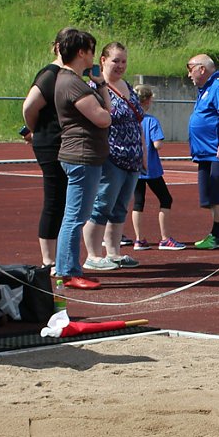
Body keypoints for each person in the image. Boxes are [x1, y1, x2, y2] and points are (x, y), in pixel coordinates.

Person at [54, 29, 111, 290]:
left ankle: (68, 269)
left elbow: (107, 112)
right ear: (81, 52)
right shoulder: (71, 83)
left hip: (84, 155)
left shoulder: (73, 81)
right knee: (75, 216)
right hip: (82, 155)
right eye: (91, 50)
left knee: (76, 215)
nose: (93, 56)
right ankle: (68, 271)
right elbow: (103, 117)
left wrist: (100, 84)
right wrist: (104, 109)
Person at [81, 42, 144, 270]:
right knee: (102, 205)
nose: (120, 65)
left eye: (124, 61)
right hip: (110, 156)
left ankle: (114, 253)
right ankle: (93, 255)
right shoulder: (94, 88)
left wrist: (143, 153)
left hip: (132, 157)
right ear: (103, 61)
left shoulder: (127, 86)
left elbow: (137, 121)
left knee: (120, 208)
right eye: (115, 60)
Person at [21, 28, 70, 273]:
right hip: (51, 143)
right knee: (54, 199)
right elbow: (29, 106)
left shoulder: (69, 74)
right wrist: (37, 131)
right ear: (59, 47)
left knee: (65, 201)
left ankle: (59, 256)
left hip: (64, 143)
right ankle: (48, 260)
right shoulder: (50, 74)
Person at [186, 54, 219, 249]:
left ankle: (217, 234)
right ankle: (218, 233)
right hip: (205, 151)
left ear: (202, 69)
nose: (188, 74)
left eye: (190, 68)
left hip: (218, 152)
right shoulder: (206, 89)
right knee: (209, 195)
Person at [130, 84, 185, 251]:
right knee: (165, 199)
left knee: (138, 202)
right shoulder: (151, 121)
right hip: (151, 169)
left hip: (134, 167)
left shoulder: (129, 121)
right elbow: (158, 144)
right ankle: (165, 238)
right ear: (147, 101)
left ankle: (139, 239)